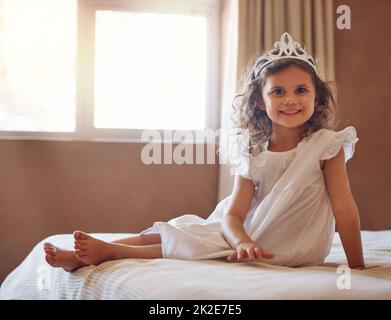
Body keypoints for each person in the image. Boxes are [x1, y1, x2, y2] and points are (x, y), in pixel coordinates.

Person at [44, 32, 367, 272]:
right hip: (248, 235)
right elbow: (234, 214)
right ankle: (92, 252)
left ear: (317, 96)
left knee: (195, 242)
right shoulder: (252, 150)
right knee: (185, 230)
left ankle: (111, 253)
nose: (290, 100)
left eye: (301, 90)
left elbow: (345, 208)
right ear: (259, 100)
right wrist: (241, 240)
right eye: (278, 91)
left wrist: (357, 265)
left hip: (292, 245)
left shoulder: (325, 145)